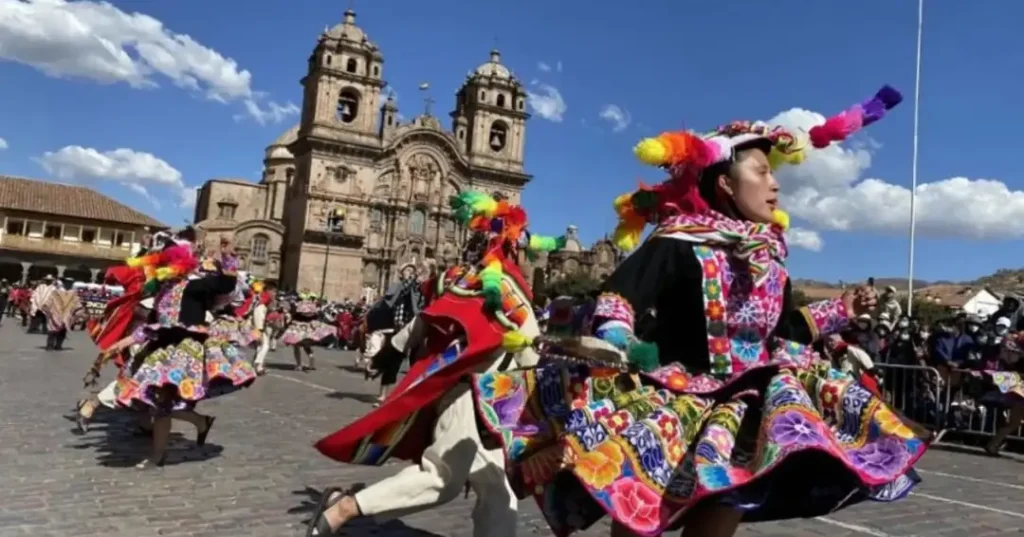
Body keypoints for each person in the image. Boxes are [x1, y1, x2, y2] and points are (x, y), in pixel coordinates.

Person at [467, 87, 927, 537]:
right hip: (672, 399)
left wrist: (840, 309)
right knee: (641, 509)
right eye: (762, 171)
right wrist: (619, 340)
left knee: (728, 504)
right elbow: (622, 296)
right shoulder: (678, 240)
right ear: (725, 183)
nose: (775, 183)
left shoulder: (771, 259)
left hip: (738, 411)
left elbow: (786, 329)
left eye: (773, 174)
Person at [306, 192, 566, 537]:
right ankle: (346, 507)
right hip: (468, 398)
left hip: (486, 402)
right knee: (441, 478)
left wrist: (394, 348)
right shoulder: (502, 286)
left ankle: (346, 503)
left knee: (497, 490)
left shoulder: (461, 279)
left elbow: (427, 318)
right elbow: (528, 351)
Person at [280, 291, 334, 371]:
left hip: (297, 328)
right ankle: (311, 358)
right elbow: (317, 315)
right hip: (308, 328)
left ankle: (299, 365)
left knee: (296, 346)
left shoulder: (297, 306)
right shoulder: (312, 307)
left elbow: (292, 315)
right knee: (306, 345)